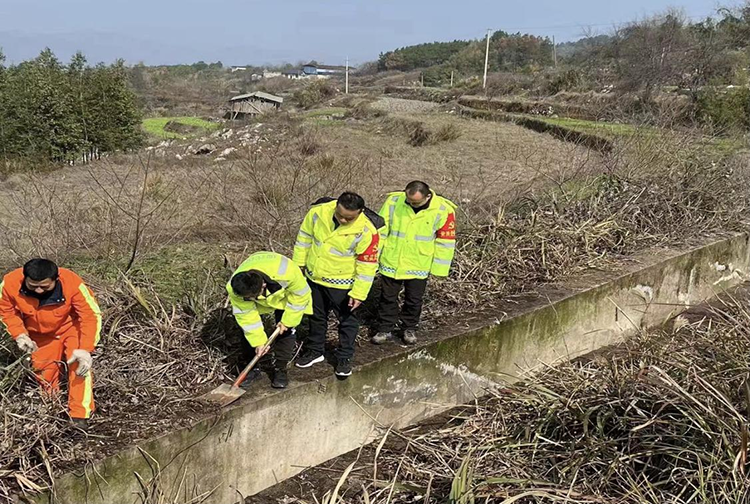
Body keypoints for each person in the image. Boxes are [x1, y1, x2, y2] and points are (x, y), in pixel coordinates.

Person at [0, 259, 101, 427]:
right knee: (44, 372)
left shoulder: (71, 282)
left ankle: (79, 416)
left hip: (70, 328)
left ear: (56, 279)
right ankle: (52, 408)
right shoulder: (10, 283)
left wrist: (86, 349)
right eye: (33, 286)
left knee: (79, 366)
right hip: (39, 335)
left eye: (45, 287)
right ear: (24, 278)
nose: (39, 290)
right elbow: (6, 311)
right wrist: (20, 335)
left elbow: (91, 315)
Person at [292, 192, 382, 379]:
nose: (342, 219)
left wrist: (358, 293)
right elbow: (304, 239)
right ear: (336, 205)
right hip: (314, 277)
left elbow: (367, 266)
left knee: (347, 322)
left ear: (360, 212)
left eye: (349, 218)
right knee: (316, 317)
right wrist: (297, 267)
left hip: (343, 284)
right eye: (340, 214)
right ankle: (315, 351)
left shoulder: (366, 231)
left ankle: (344, 358)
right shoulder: (318, 213)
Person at [372, 181, 457, 345]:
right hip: (392, 258)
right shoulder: (394, 201)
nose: (411, 204)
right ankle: (384, 328)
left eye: (415, 202)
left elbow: (445, 241)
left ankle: (409, 328)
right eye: (409, 200)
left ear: (428, 196)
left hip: (419, 262)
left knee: (414, 299)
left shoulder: (443, 209)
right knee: (387, 297)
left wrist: (439, 269)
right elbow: (381, 230)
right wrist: (374, 257)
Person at [227, 251, 313, 389]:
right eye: (247, 298)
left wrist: (288, 321)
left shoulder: (288, 273)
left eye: (251, 297)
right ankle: (252, 369)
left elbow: (300, 296)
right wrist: (259, 343)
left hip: (287, 297)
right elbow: (247, 318)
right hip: (264, 300)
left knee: (286, 332)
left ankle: (280, 370)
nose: (249, 299)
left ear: (263, 286)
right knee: (247, 332)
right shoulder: (236, 287)